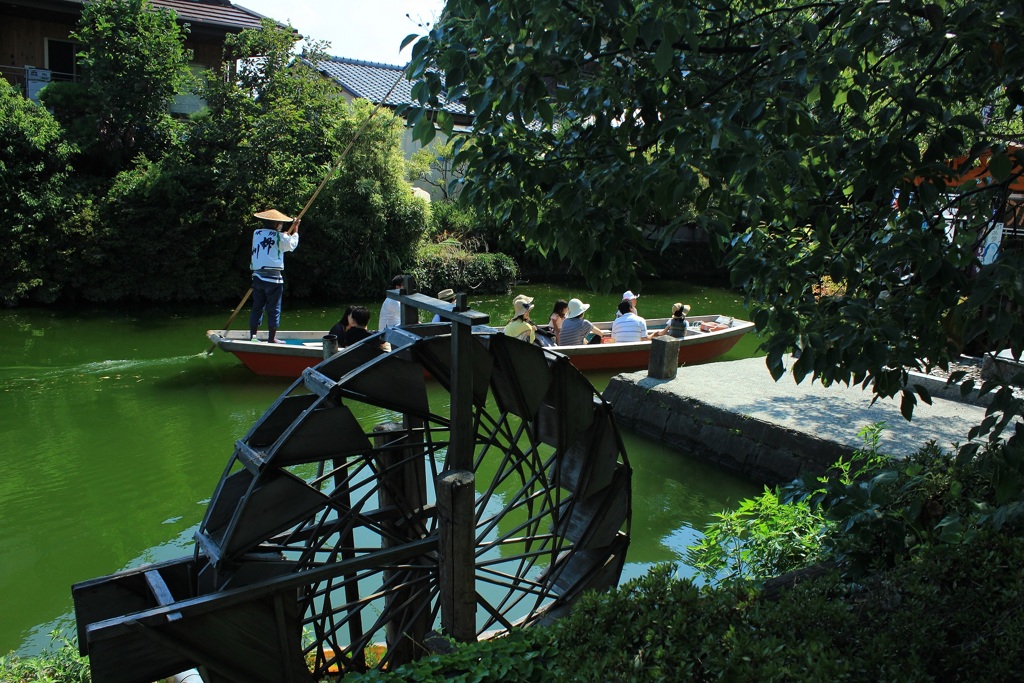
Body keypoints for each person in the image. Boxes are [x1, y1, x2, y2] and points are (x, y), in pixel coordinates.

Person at [248, 208, 300, 343]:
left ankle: (253, 337)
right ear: (276, 224)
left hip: (257, 277)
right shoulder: (279, 237)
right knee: (274, 308)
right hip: (273, 279)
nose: (282, 225)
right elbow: (291, 245)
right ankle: (272, 338)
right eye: (280, 223)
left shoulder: (257, 233)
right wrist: (295, 230)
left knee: (257, 307)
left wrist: (285, 235)